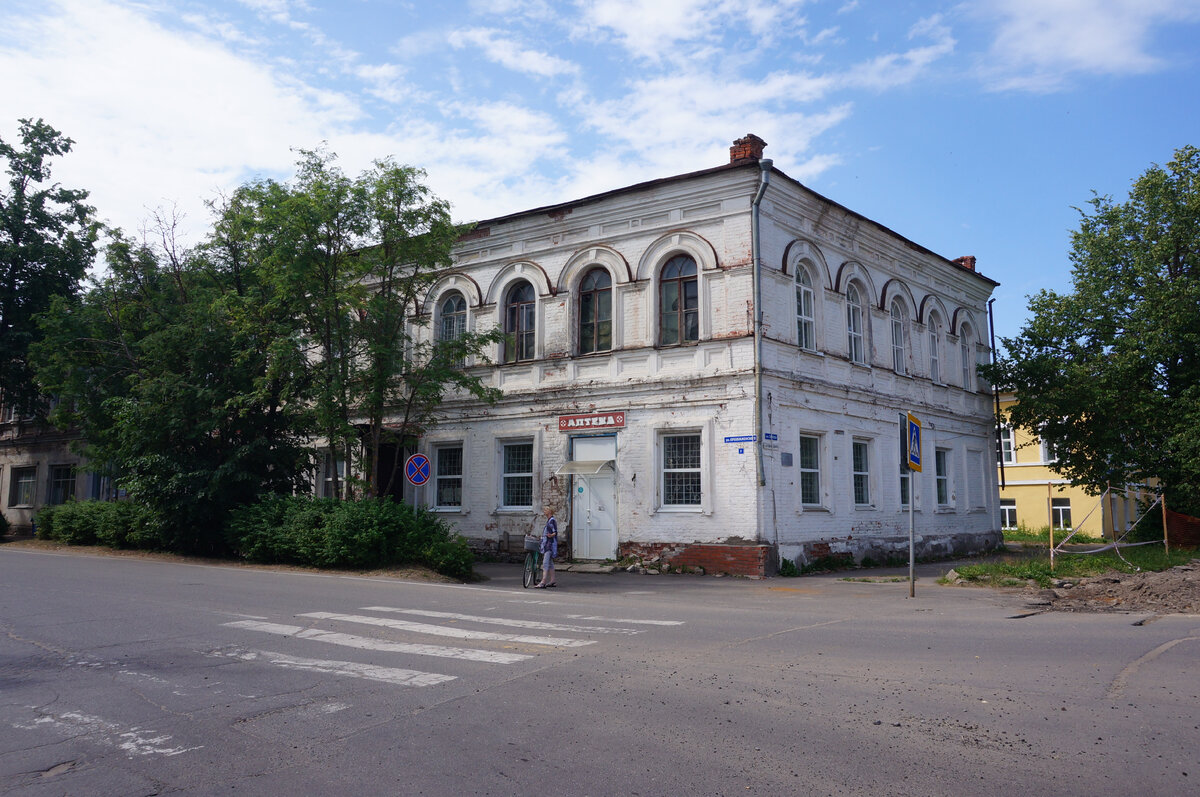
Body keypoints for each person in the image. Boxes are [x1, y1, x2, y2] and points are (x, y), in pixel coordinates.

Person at [534, 504, 558, 588]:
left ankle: (543, 581)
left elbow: (555, 532)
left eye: (545, 510)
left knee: (545, 563)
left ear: (549, 511)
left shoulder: (551, 520)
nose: (544, 511)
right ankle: (553, 581)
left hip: (549, 544)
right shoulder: (549, 520)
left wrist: (551, 535)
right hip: (547, 543)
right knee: (550, 563)